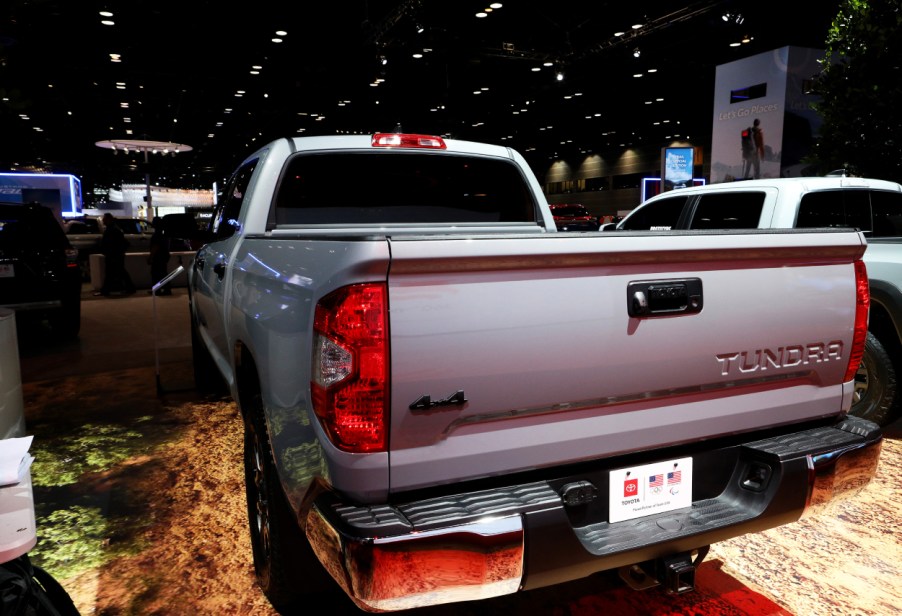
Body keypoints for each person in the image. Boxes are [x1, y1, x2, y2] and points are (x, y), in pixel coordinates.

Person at [95, 213, 134, 296]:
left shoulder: (112, 229)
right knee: (119, 271)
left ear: (108, 219)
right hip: (115, 254)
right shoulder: (114, 229)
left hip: (113, 254)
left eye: (104, 219)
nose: (103, 221)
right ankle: (129, 288)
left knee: (112, 272)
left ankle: (106, 290)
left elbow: (112, 243)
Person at [148, 216, 172, 295]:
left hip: (158, 257)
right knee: (163, 273)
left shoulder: (157, 234)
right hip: (164, 256)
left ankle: (157, 290)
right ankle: (166, 289)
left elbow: (155, 246)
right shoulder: (164, 233)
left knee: (156, 274)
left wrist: (151, 257)